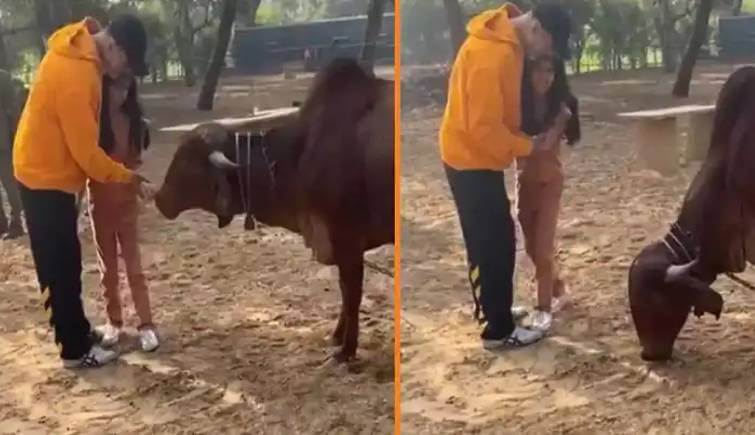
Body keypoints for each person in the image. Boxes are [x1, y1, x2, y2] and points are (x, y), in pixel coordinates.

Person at [13, 15, 155, 369]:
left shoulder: (85, 57)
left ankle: (77, 330)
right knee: (58, 265)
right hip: (42, 177)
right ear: (114, 47)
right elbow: (89, 156)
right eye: (127, 63)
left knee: (69, 260)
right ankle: (74, 351)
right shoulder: (78, 75)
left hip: (56, 175)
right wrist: (131, 179)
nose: (124, 73)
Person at [439, 2, 571, 349]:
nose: (548, 55)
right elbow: (483, 129)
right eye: (550, 46)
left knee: (491, 236)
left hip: (482, 156)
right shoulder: (492, 56)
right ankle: (497, 332)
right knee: (493, 242)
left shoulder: (509, 42)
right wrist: (529, 146)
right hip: (469, 157)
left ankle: (492, 310)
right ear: (537, 29)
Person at [90, 74, 159, 352]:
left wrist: (140, 187)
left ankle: (146, 324)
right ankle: (114, 321)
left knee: (134, 267)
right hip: (99, 202)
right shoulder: (93, 121)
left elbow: (134, 165)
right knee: (107, 269)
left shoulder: (133, 122)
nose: (121, 93)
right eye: (115, 87)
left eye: (126, 86)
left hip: (126, 203)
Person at [516, 55, 580, 332]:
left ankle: (543, 308)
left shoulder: (560, 111)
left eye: (550, 72)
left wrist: (555, 126)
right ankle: (557, 286)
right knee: (532, 248)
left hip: (549, 183)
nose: (544, 78)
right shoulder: (519, 107)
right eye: (538, 72)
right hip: (524, 183)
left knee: (542, 248)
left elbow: (543, 146)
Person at [0, 69, 24, 239]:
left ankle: (17, 222)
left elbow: (13, 111)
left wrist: (16, 138)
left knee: (11, 185)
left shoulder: (3, 78)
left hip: (3, 143)